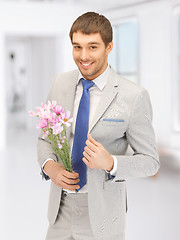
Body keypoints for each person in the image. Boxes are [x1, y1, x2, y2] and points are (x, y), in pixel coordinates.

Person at [37, 12, 160, 240]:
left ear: (109, 47)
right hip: (60, 212)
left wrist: (111, 163)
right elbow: (46, 137)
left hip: (103, 217)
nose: (83, 56)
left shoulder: (133, 96)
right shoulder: (60, 83)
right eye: (77, 47)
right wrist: (49, 166)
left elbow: (151, 162)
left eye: (92, 47)